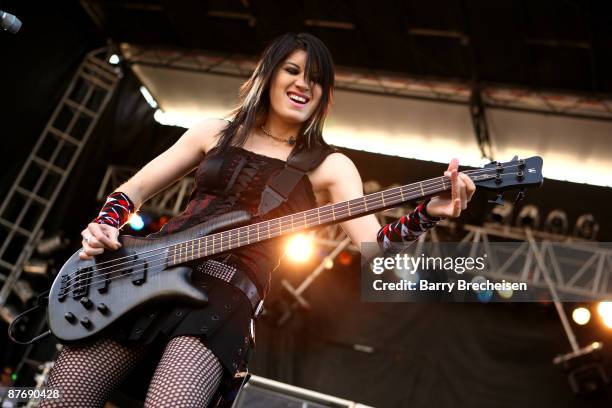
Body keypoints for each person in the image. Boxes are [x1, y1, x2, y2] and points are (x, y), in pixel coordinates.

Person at [41, 32, 475, 407]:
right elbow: (131, 191)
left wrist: (426, 214)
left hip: (222, 302)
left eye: (318, 79)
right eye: (293, 70)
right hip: (143, 276)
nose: (305, 84)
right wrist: (105, 223)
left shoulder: (331, 166)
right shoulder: (213, 131)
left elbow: (375, 247)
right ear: (268, 74)